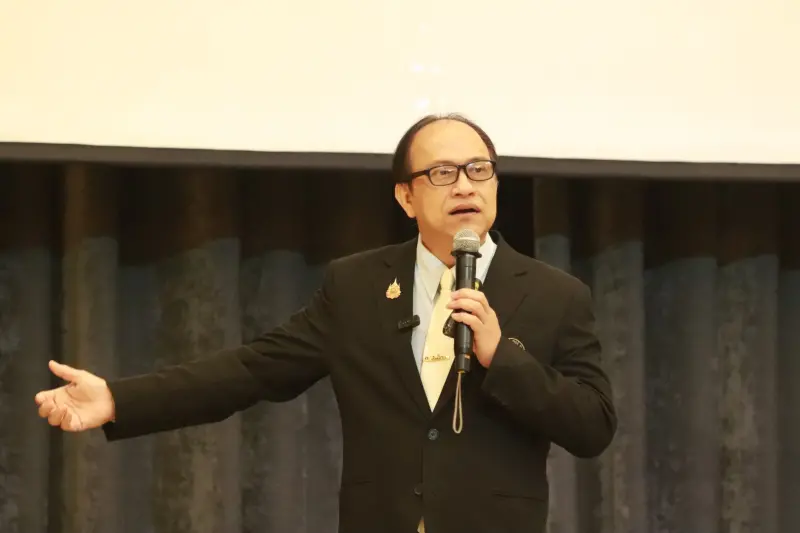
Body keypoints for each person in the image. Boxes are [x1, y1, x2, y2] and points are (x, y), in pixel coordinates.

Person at [35, 113, 617, 533]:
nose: (464, 185)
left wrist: (503, 358)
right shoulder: (356, 286)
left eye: (478, 170)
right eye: (442, 172)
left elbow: (593, 425)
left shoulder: (554, 295)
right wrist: (119, 399)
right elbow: (252, 370)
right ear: (406, 197)